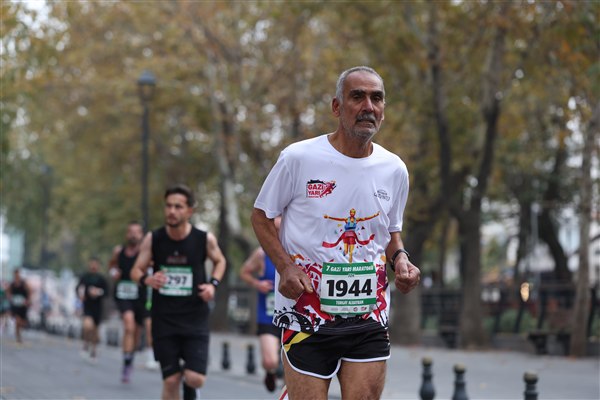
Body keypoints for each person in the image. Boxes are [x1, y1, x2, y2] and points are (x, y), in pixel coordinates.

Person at [251, 66, 421, 400]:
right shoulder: (298, 158)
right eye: (357, 97)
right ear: (337, 106)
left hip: (369, 314)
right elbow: (261, 217)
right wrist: (285, 266)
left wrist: (401, 260)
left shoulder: (394, 169)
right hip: (306, 313)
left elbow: (390, 233)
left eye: (376, 98)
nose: (368, 106)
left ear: (383, 110)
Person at [131, 184, 227, 400]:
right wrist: (147, 279)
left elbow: (220, 261)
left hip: (195, 318)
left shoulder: (204, 239)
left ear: (189, 211)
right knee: (171, 380)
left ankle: (190, 387)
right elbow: (135, 270)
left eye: (178, 207)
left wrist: (212, 284)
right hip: (164, 319)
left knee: (195, 378)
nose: (172, 211)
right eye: (168, 206)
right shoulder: (154, 239)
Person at [108, 221, 157, 383]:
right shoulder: (119, 251)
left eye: (137, 232)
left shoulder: (146, 253)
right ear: (127, 234)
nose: (134, 235)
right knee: (128, 325)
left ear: (142, 235)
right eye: (131, 232)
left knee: (140, 330)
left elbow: (155, 266)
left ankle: (131, 358)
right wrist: (114, 272)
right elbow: (112, 266)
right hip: (124, 294)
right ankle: (127, 363)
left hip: (141, 296)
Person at [240, 216, 283, 393]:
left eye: (281, 229)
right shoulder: (262, 254)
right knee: (270, 361)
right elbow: (244, 272)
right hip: (268, 316)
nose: (278, 233)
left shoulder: (298, 252)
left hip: (293, 316)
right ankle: (270, 372)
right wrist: (258, 284)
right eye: (275, 229)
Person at [76, 257, 108, 362]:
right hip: (87, 307)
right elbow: (78, 288)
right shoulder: (85, 277)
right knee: (87, 326)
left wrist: (98, 292)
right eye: (92, 264)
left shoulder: (101, 279)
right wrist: (81, 295)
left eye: (95, 264)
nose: (94, 266)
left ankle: (93, 350)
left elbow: (106, 292)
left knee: (95, 331)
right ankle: (85, 343)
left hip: (98, 308)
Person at [7, 268, 30, 343]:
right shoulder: (12, 284)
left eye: (18, 274)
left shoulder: (23, 283)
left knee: (23, 322)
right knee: (17, 320)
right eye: (15, 274)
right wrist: (10, 298)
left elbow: (29, 291)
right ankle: (18, 336)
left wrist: (27, 300)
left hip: (23, 305)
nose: (16, 276)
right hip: (15, 305)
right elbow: (8, 292)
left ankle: (19, 331)